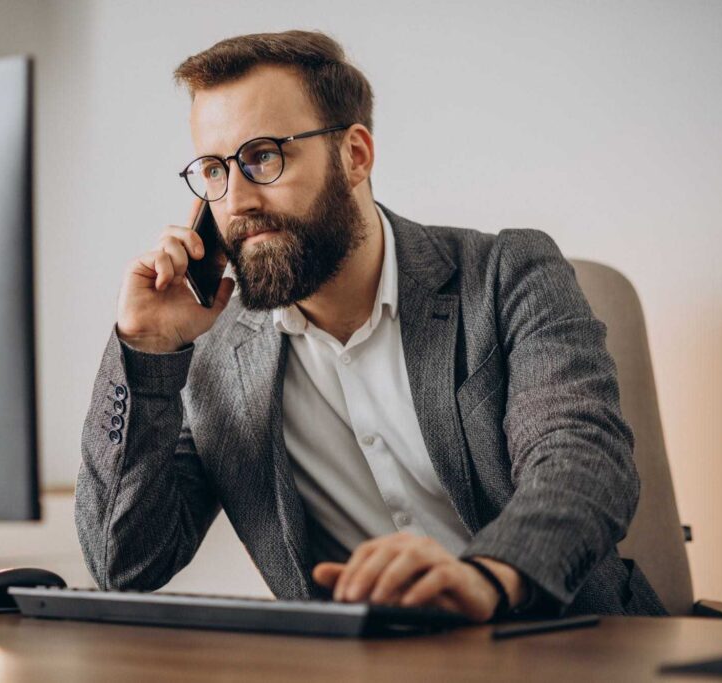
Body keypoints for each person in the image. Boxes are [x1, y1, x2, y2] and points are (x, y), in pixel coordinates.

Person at [76, 30, 666, 620]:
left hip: (565, 649)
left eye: (262, 157)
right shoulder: (212, 348)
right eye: (214, 169)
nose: (236, 201)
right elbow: (123, 563)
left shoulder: (506, 274)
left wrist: (490, 576)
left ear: (355, 155)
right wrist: (147, 350)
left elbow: (582, 458)